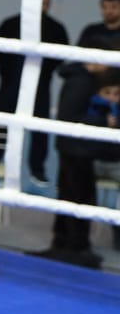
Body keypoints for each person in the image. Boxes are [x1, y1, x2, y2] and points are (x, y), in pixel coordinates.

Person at [34, 67, 120, 269]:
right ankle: (75, 247)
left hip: (81, 150)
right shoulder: (82, 83)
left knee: (72, 196)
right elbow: (70, 116)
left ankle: (67, 245)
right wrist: (102, 122)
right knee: (78, 197)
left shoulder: (81, 80)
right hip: (80, 150)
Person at [0, 0, 67, 185]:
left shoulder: (56, 29)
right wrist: (8, 70)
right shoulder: (11, 23)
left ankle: (37, 170)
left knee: (39, 129)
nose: (41, 7)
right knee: (1, 123)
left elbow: (60, 54)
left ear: (49, 5)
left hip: (40, 88)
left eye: (44, 3)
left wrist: (43, 72)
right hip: (10, 85)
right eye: (38, 2)